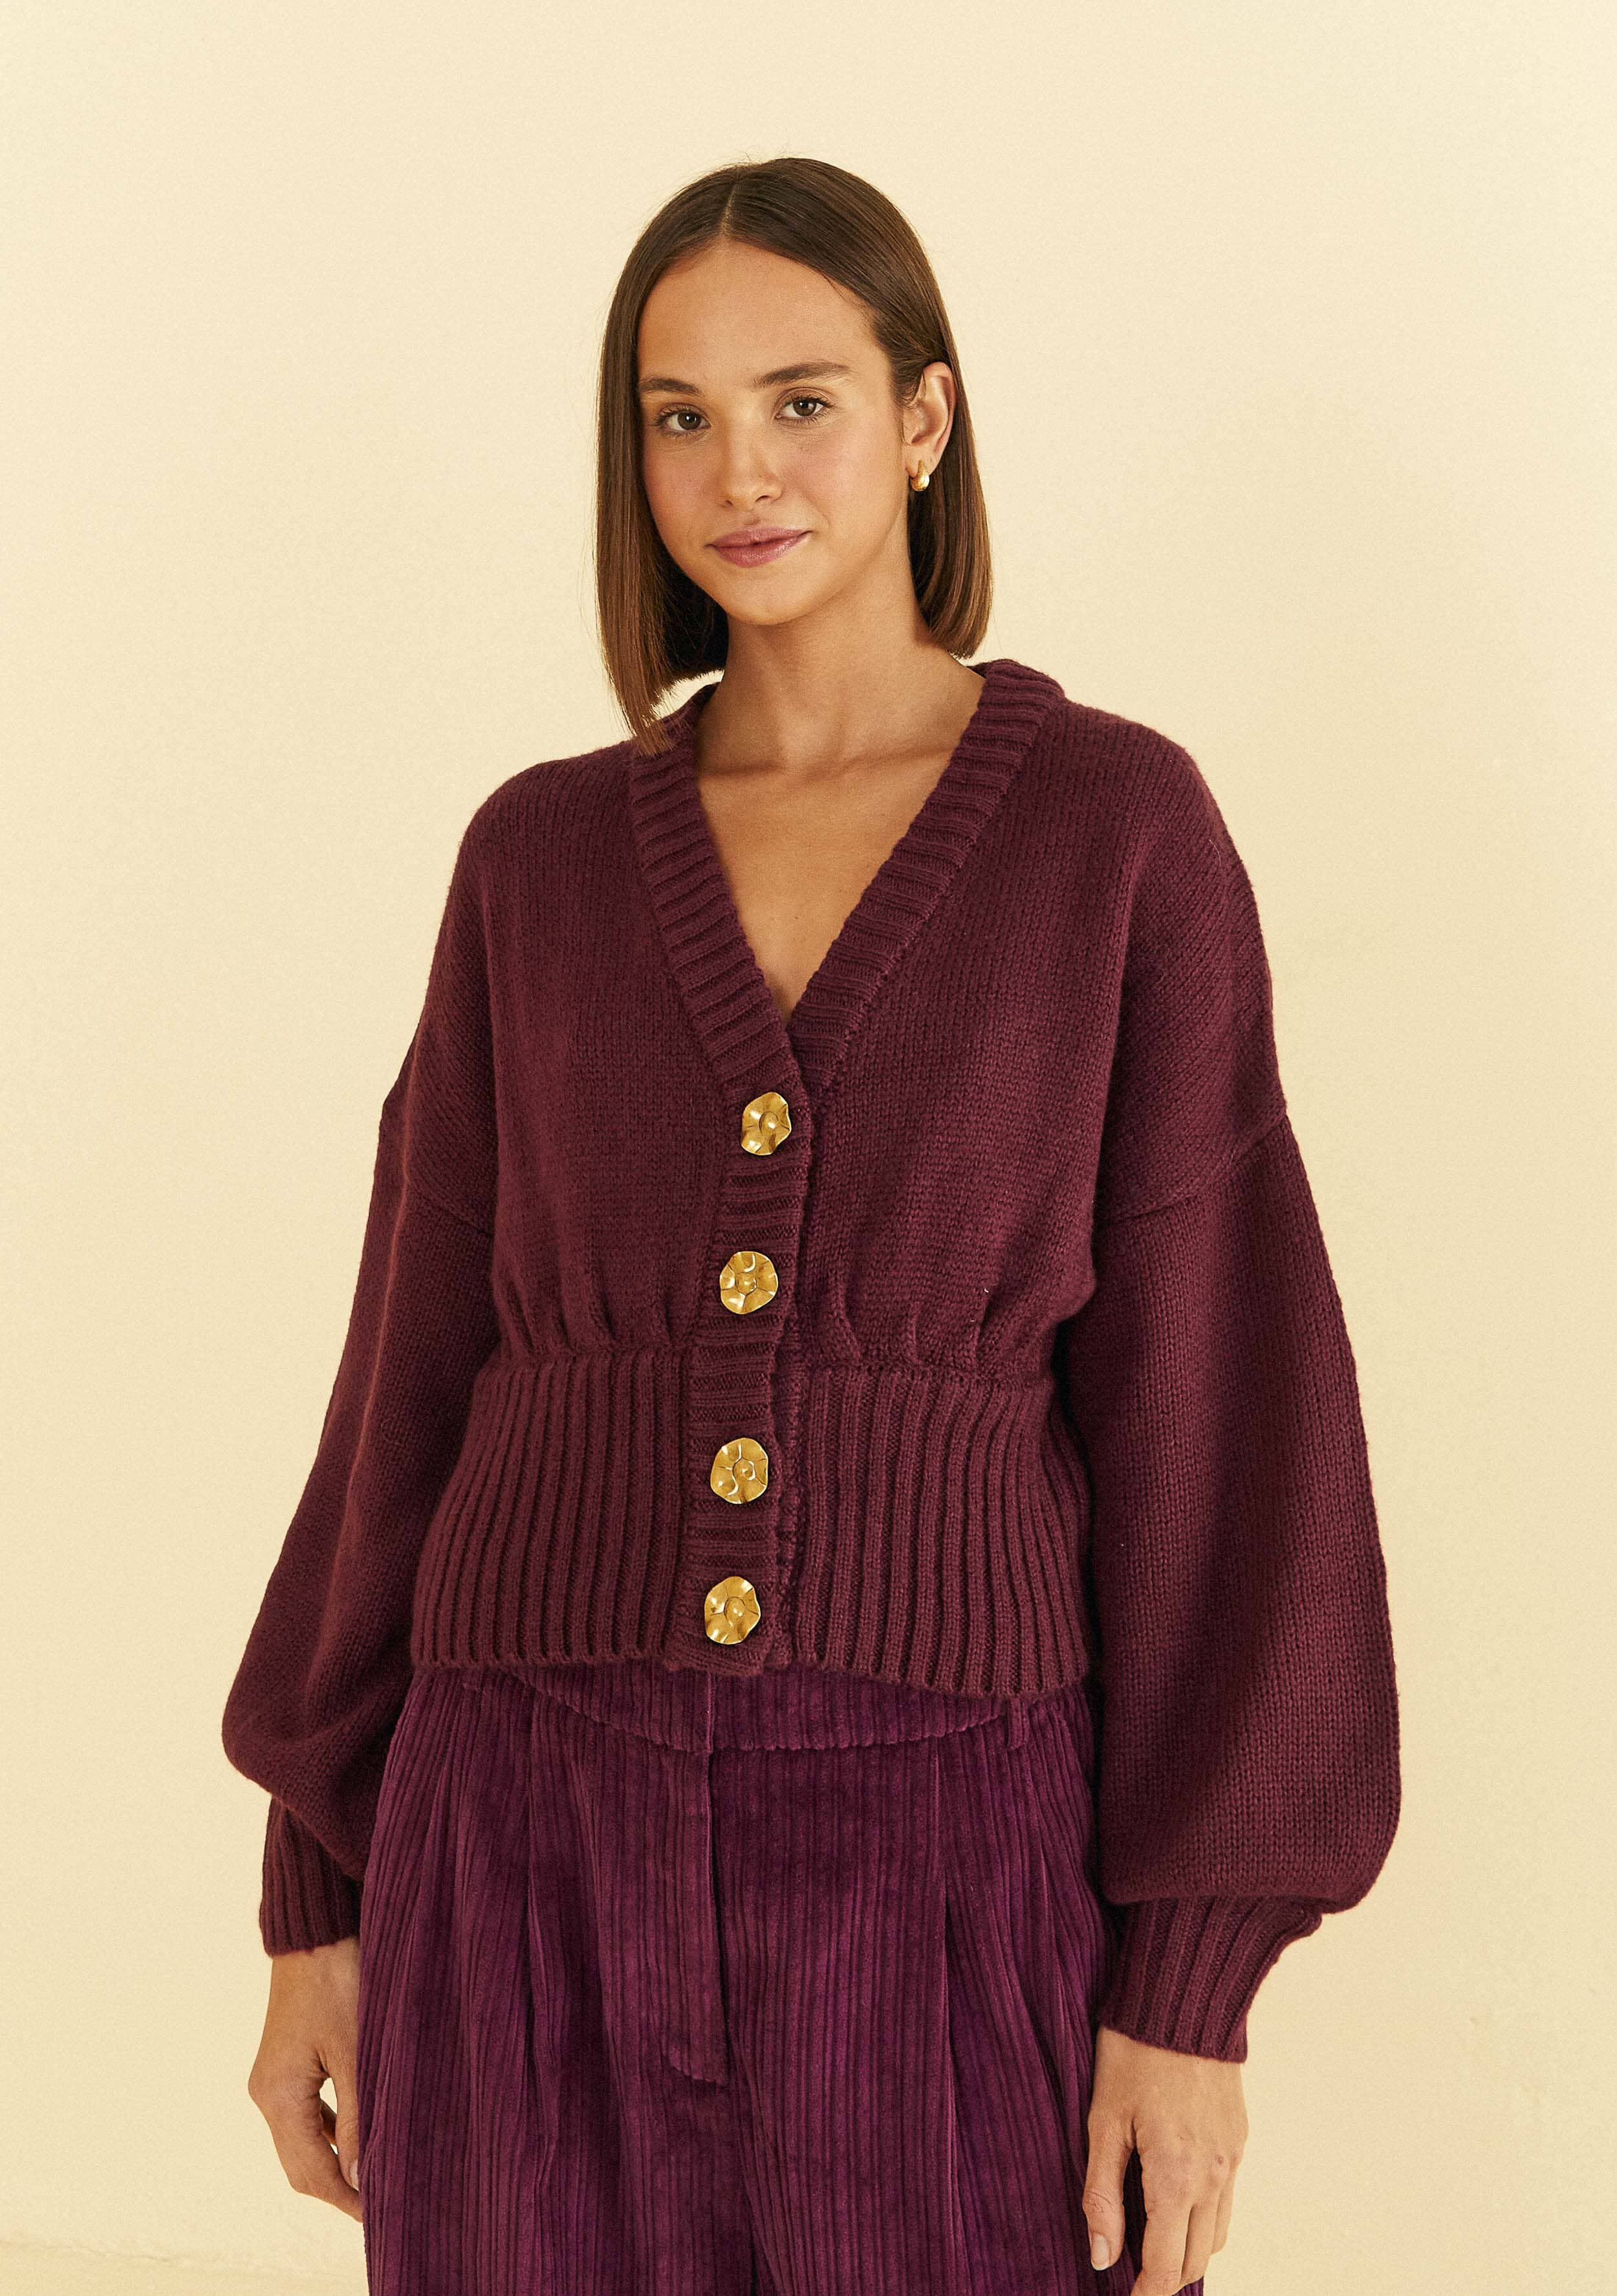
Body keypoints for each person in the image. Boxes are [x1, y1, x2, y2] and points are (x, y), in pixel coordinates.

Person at [221, 156, 1401, 2296]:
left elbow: (1224, 1405)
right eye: (676, 417)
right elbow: (408, 1375)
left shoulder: (1113, 832)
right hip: (518, 1829)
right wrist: (320, 1882)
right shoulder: (537, 860)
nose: (738, 471)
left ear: (923, 418)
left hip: (947, 1846)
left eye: (800, 402)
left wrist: (1188, 1988)